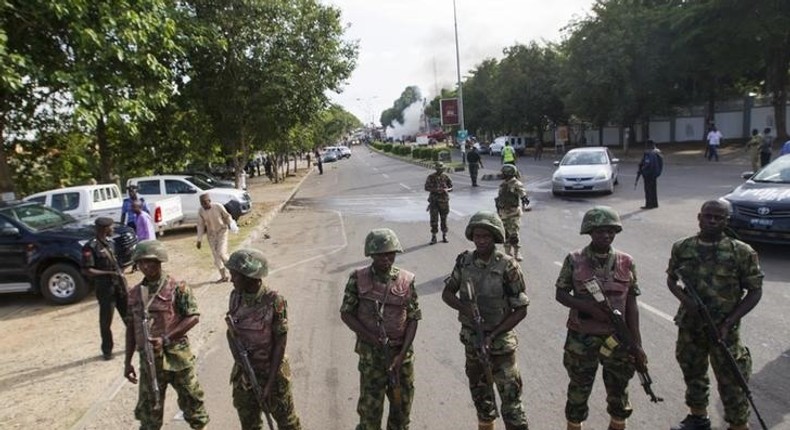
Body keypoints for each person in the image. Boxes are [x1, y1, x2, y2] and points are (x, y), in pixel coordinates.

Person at [666, 200, 763, 430]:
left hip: (723, 329)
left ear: (726, 221)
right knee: (692, 371)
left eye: (718, 217)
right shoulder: (683, 247)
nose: (712, 221)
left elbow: (755, 290)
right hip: (691, 325)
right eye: (708, 216)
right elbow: (671, 279)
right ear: (699, 217)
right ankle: (698, 416)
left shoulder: (741, 251)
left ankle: (738, 424)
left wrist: (730, 321)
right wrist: (685, 301)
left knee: (732, 378)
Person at [555, 207, 644, 430]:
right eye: (599, 231)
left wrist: (636, 344)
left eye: (610, 231)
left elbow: (631, 305)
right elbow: (561, 293)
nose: (605, 236)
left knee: (618, 392)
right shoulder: (575, 259)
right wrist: (588, 308)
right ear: (589, 231)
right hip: (581, 338)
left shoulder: (626, 261)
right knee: (578, 391)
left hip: (617, 339)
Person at [441, 211, 530, 430]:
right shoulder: (464, 261)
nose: (481, 240)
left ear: (495, 237)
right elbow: (448, 293)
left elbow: (521, 309)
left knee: (512, 404)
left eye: (486, 236)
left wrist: (494, 334)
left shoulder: (508, 266)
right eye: (477, 236)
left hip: (501, 345)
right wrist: (466, 309)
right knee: (482, 400)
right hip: (473, 341)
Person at [124, 240, 210, 430]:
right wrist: (127, 361)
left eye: (150, 261)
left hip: (177, 358)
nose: (145, 266)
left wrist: (166, 339)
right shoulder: (134, 294)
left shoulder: (177, 287)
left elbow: (193, 317)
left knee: (193, 405)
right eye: (141, 262)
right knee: (149, 414)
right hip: (149, 362)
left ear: (160, 261)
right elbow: (131, 328)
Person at [340, 228, 421, 430]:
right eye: (380, 254)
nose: (386, 258)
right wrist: (371, 338)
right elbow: (346, 313)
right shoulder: (358, 279)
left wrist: (401, 355)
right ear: (371, 254)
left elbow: (413, 318)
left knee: (401, 415)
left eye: (390, 253)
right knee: (369, 415)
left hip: (401, 358)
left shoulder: (406, 280)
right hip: (371, 359)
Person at [225, 249, 302, 430]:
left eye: (235, 275)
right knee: (249, 424)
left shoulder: (275, 301)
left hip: (272, 373)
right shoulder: (235, 296)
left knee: (288, 423)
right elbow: (233, 335)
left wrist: (269, 384)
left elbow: (280, 344)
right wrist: (243, 369)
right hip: (244, 373)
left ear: (249, 276)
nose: (231, 279)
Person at [81, 216, 128, 360]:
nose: (113, 229)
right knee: (106, 321)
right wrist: (109, 273)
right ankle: (107, 350)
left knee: (129, 317)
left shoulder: (111, 243)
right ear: (104, 229)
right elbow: (87, 270)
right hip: (105, 288)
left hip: (118, 286)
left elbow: (116, 262)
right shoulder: (91, 247)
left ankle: (137, 342)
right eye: (111, 227)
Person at [196, 193, 233, 283]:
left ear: (209, 201)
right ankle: (223, 277)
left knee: (222, 253)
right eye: (202, 203)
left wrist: (230, 224)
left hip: (222, 231)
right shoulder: (201, 211)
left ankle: (234, 271)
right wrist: (199, 240)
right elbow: (200, 225)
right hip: (211, 234)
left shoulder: (218, 206)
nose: (204, 205)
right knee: (216, 256)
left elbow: (227, 216)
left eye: (205, 203)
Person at [496, 164, 528, 261]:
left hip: (513, 213)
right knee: (505, 233)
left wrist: (524, 199)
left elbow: (522, 192)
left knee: (514, 234)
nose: (501, 175)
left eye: (503, 173)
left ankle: (517, 252)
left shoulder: (515, 183)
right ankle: (507, 252)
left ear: (508, 173)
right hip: (503, 213)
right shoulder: (503, 184)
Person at [424, 161, 453, 244]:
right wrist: (435, 190)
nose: (440, 170)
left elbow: (451, 187)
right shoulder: (431, 177)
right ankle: (434, 236)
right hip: (434, 202)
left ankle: (444, 235)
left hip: (444, 201)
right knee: (434, 220)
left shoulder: (446, 177)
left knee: (444, 219)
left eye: (441, 168)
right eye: (438, 168)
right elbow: (426, 187)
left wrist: (446, 190)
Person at [637, 140, 663, 209]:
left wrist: (642, 170)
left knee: (648, 190)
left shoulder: (649, 153)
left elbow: (647, 163)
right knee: (653, 190)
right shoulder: (657, 152)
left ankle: (649, 205)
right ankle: (655, 204)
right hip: (655, 174)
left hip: (648, 175)